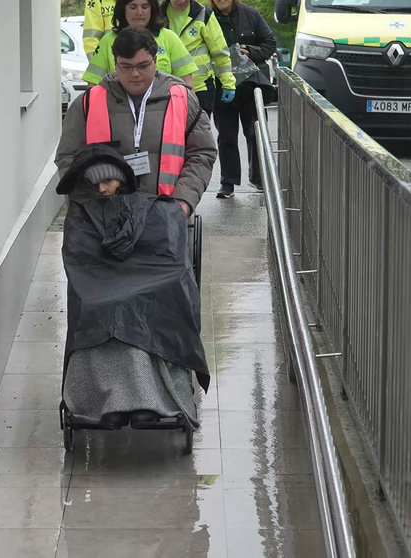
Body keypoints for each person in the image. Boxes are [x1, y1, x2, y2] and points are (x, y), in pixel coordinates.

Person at [56, 143, 210, 428]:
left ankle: (147, 401)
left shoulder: (153, 210)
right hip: (100, 285)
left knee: (136, 303)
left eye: (108, 181)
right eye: (96, 183)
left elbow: (169, 259)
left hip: (144, 281)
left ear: (121, 180)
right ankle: (110, 402)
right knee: (108, 305)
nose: (103, 190)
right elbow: (80, 258)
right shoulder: (81, 216)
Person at [58, 26, 216, 217]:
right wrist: (90, 195)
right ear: (115, 64)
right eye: (126, 66)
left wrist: (183, 200)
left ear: (155, 61)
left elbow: (202, 152)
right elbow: (67, 157)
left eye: (143, 66)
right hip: (102, 217)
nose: (135, 74)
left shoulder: (182, 99)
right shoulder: (88, 103)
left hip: (165, 215)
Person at [211, 0, 277, 198]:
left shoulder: (251, 14)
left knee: (255, 133)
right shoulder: (206, 18)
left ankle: (258, 179)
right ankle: (228, 183)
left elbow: (270, 44)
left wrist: (250, 50)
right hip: (223, 85)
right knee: (226, 136)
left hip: (251, 86)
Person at [83, 0, 197, 89]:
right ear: (123, 9)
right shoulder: (107, 41)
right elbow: (93, 87)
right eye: (133, 7)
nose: (139, 13)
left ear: (152, 9)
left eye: (144, 7)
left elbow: (187, 83)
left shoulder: (170, 38)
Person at [161, 0, 236, 116]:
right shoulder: (156, 15)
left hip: (201, 88)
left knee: (197, 132)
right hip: (165, 88)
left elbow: (220, 53)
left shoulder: (204, 14)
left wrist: (228, 83)